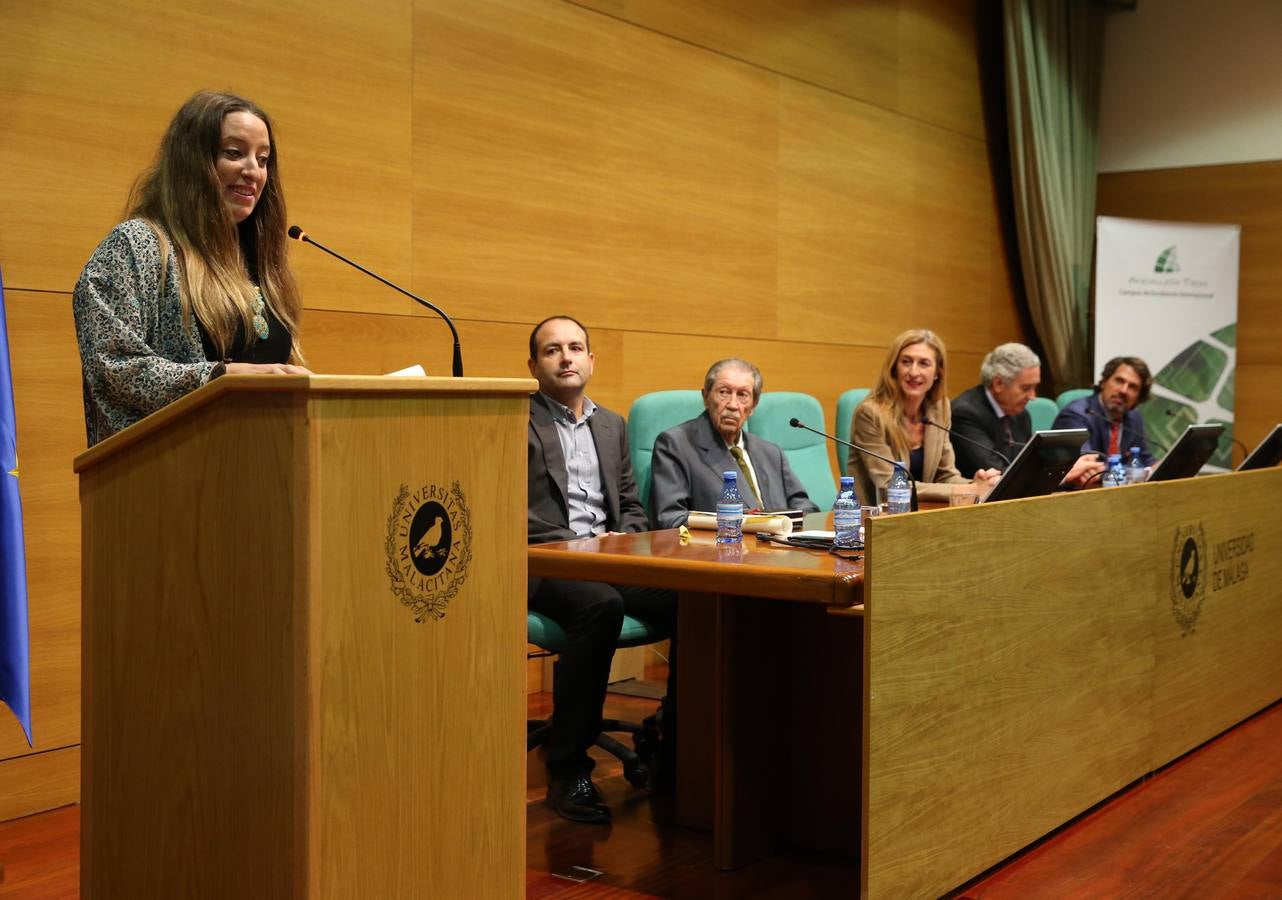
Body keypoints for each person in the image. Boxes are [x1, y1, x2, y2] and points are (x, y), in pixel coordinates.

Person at [72, 90, 310, 447]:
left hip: (263, 471)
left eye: (263, 159)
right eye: (234, 153)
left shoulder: (257, 261)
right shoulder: (136, 247)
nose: (253, 171)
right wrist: (220, 376)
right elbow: (115, 369)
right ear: (192, 161)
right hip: (174, 479)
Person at [526, 315, 676, 824]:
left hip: (609, 558)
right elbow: (512, 510)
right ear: (534, 365)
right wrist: (580, 544)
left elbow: (632, 504)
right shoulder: (514, 419)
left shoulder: (611, 425)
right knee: (601, 606)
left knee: (692, 598)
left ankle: (673, 736)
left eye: (575, 348)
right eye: (552, 350)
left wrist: (625, 539)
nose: (565, 357)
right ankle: (568, 770)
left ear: (591, 359)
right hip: (543, 560)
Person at [649, 358, 819, 529]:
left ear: (753, 406)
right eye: (723, 392)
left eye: (742, 395)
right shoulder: (676, 445)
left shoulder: (771, 452)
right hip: (722, 550)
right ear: (706, 397)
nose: (732, 405)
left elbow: (805, 508)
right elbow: (670, 519)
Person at [847, 328, 1000, 504]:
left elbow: (945, 475)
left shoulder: (940, 409)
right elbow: (891, 486)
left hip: (920, 515)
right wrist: (969, 489)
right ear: (894, 368)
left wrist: (981, 485)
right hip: (871, 519)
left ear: (937, 373)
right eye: (906, 362)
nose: (913, 372)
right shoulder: (870, 414)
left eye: (924, 364)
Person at [953, 343, 1104, 487]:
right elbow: (994, 474)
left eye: (1035, 387)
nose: (1033, 397)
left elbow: (1028, 464)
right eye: (1026, 388)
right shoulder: (965, 414)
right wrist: (1063, 474)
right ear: (998, 383)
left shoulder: (1021, 414)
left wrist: (1072, 472)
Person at [1052, 356, 1158, 467]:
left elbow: (1146, 461)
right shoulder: (1076, 415)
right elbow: (1086, 466)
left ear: (1138, 397)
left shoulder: (1134, 418)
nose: (1123, 390)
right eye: (1119, 381)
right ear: (1104, 382)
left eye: (1132, 387)